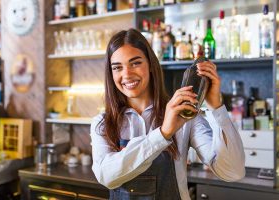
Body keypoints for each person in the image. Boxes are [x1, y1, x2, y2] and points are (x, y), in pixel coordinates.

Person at [90, 28, 245, 200]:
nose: (126, 74)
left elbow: (232, 172)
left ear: (150, 65)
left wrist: (216, 106)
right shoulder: (103, 122)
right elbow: (106, 177)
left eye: (135, 63)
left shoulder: (184, 115)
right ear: (111, 74)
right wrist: (163, 133)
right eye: (117, 67)